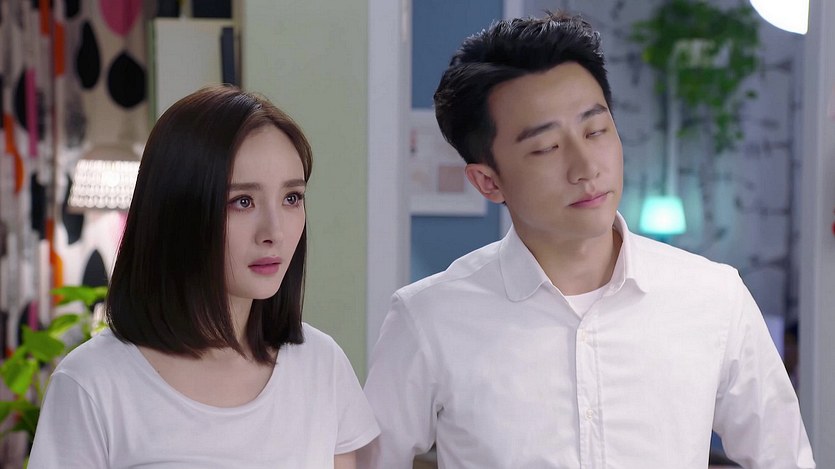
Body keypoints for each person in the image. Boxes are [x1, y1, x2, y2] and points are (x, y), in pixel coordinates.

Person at [359, 12, 814, 469]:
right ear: (488, 181)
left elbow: (783, 458)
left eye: (596, 131)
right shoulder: (429, 318)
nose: (586, 167)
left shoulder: (714, 297)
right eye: (546, 148)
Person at [29, 86, 380, 468]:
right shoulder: (91, 383)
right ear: (177, 211)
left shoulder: (322, 366)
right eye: (242, 201)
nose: (275, 232)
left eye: (291, 198)